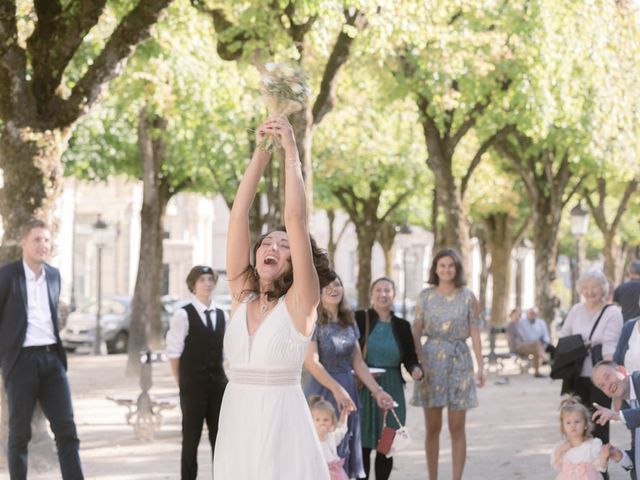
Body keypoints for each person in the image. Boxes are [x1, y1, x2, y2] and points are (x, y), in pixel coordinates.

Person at [213, 116, 332, 480]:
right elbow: (238, 217)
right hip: (236, 418)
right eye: (267, 242)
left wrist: (291, 152)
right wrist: (262, 152)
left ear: (296, 261)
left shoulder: (300, 303)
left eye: (283, 246)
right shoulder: (241, 294)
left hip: (282, 422)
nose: (272, 246)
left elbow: (295, 218)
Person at [0, 219, 84, 479]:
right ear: (23, 242)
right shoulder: (6, 276)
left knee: (67, 430)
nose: (43, 245)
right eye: (37, 239)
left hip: (51, 361)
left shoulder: (54, 276)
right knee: (20, 434)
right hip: (20, 362)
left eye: (46, 240)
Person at [304, 274, 393, 479]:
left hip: (348, 389)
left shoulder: (349, 320)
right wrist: (337, 389)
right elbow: (311, 362)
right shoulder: (312, 320)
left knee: (342, 446)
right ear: (318, 291)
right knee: (322, 448)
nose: (333, 288)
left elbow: (358, 363)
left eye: (337, 284)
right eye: (327, 286)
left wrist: (378, 392)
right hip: (322, 389)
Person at [412, 248, 485, 480]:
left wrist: (481, 366)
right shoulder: (425, 296)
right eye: (442, 265)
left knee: (457, 427)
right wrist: (418, 361)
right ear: (435, 268)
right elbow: (416, 330)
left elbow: (474, 332)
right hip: (431, 362)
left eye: (450, 265)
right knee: (433, 428)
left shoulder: (468, 296)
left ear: (457, 269)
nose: (446, 270)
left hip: (460, 361)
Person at [355, 276, 423, 480]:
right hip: (365, 386)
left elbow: (410, 357)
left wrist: (416, 369)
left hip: (393, 387)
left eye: (387, 290)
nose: (383, 294)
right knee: (364, 444)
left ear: (393, 295)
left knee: (387, 444)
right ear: (371, 294)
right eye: (378, 290)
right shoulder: (360, 318)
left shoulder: (402, 325)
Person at [165, 266, 228, 480]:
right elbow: (174, 353)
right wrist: (182, 383)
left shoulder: (222, 315)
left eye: (210, 279)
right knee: (190, 440)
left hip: (218, 386)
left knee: (219, 440)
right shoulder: (183, 315)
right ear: (193, 284)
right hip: (192, 387)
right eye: (202, 279)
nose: (207, 283)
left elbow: (225, 352)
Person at [559, 268, 623, 445]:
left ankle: (600, 469)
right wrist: (580, 344)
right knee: (576, 422)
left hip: (600, 379)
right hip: (576, 374)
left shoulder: (612, 313)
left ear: (603, 288)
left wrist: (614, 380)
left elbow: (611, 346)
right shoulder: (575, 310)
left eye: (594, 287)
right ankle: (579, 466)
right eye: (586, 287)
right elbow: (563, 337)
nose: (590, 291)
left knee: (598, 422)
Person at [552, 395, 630, 479]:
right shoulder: (562, 447)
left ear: (586, 424)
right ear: (563, 426)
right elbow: (557, 465)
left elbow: (601, 468)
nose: (573, 425)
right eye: (568, 423)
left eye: (577, 421)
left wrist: (604, 457)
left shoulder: (592, 445)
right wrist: (559, 451)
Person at [591, 360, 640, 477]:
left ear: (622, 371)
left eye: (607, 376)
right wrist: (620, 456)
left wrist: (617, 416)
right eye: (602, 386)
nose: (607, 385)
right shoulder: (627, 407)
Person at [309, 395, 351, 480]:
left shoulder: (332, 436)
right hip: (318, 473)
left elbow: (342, 430)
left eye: (326, 420)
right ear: (311, 421)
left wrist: (344, 415)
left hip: (335, 474)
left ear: (332, 422)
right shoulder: (311, 439)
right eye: (317, 420)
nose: (322, 423)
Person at [506, 307, 547, 377]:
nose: (517, 317)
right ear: (512, 315)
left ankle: (537, 372)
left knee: (536, 349)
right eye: (516, 315)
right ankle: (545, 359)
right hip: (517, 346)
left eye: (518, 315)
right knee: (536, 343)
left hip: (523, 345)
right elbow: (511, 339)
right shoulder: (510, 325)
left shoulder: (519, 324)